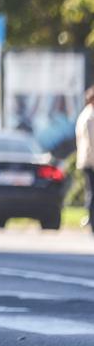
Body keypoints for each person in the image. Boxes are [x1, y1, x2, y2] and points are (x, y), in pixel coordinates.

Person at [77, 86, 94, 235]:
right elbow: (91, 142)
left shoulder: (84, 115)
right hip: (90, 160)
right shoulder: (90, 116)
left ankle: (90, 217)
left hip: (86, 159)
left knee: (91, 190)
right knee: (92, 191)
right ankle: (90, 218)